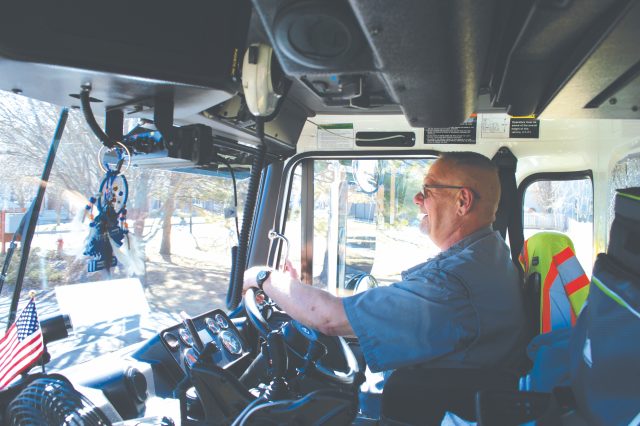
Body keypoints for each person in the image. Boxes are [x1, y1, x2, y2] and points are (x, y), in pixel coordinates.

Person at [243, 151, 526, 375]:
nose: (417, 199)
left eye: (427, 191)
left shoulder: (454, 282)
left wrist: (262, 276)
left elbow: (328, 318)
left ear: (462, 201)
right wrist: (297, 292)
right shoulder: (490, 254)